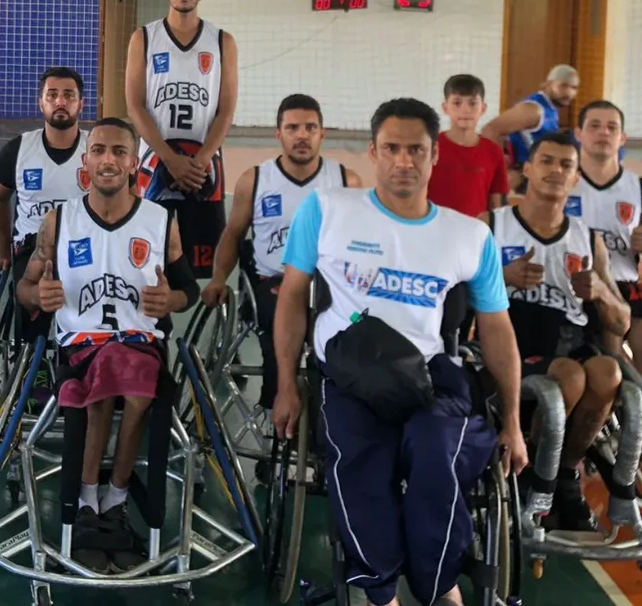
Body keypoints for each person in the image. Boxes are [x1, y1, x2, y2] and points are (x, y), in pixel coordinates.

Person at [273, 98, 527, 606]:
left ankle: (440, 584)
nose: (404, 161)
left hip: (425, 373)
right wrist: (285, 383)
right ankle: (381, 589)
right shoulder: (327, 210)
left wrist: (514, 420)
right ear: (373, 152)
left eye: (416, 150)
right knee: (362, 461)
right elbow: (293, 297)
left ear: (436, 157)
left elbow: (498, 332)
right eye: (392, 148)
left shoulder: (469, 236)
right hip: (349, 373)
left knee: (439, 448)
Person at [16, 118, 198, 573]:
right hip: (80, 344)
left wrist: (169, 299)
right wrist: (36, 296)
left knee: (133, 383)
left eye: (119, 152)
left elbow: (188, 291)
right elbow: (24, 286)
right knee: (114, 381)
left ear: (135, 163)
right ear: (86, 161)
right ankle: (101, 498)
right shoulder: (58, 222)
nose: (109, 160)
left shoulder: (162, 222)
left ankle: (105, 496)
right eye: (99, 150)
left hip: (138, 342)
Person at [490, 130, 630, 532]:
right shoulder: (493, 226)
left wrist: (601, 291)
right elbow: (456, 295)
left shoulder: (587, 239)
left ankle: (565, 475)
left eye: (566, 165)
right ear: (528, 169)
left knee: (607, 374)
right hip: (513, 336)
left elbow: (620, 320)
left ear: (575, 178)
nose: (555, 171)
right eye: (546, 161)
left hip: (570, 337)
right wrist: (501, 277)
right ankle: (534, 474)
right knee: (567, 376)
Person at [201, 94, 361, 418]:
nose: (301, 135)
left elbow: (359, 245)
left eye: (309, 128)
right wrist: (219, 279)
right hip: (272, 282)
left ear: (322, 133)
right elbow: (233, 234)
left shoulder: (346, 181)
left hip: (328, 286)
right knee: (280, 334)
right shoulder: (255, 179)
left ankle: (329, 423)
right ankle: (277, 418)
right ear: (279, 133)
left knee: (344, 339)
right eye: (292, 128)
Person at [124, 0, 238, 278]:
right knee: (148, 261)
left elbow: (226, 109)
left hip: (204, 166)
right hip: (155, 164)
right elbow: (135, 106)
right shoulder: (143, 38)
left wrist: (201, 159)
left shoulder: (222, 41)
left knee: (204, 267)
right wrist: (169, 158)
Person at [0, 68, 88, 358]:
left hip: (86, 246)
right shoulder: (18, 149)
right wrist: (4, 251)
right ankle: (32, 369)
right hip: (32, 248)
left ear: (80, 104)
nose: (60, 101)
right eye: (52, 95)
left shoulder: (95, 149)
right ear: (40, 103)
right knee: (31, 296)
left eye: (68, 95)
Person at [570, 100, 642, 363]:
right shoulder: (562, 182)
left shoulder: (637, 186)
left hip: (627, 285)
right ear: (578, 134)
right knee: (612, 359)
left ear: (622, 138)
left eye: (612, 127)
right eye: (595, 126)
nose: (603, 133)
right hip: (577, 286)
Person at [481, 64, 579, 186]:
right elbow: (490, 130)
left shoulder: (552, 109)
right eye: (563, 85)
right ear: (547, 85)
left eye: (574, 88)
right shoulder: (534, 109)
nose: (569, 92)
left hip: (537, 178)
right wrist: (502, 172)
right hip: (522, 181)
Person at [428, 74, 510, 217]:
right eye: (457, 103)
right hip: (433, 229)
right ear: (445, 107)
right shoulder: (430, 147)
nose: (466, 110)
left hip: (476, 231)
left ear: (483, 108)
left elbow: (497, 204)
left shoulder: (493, 151)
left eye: (472, 103)